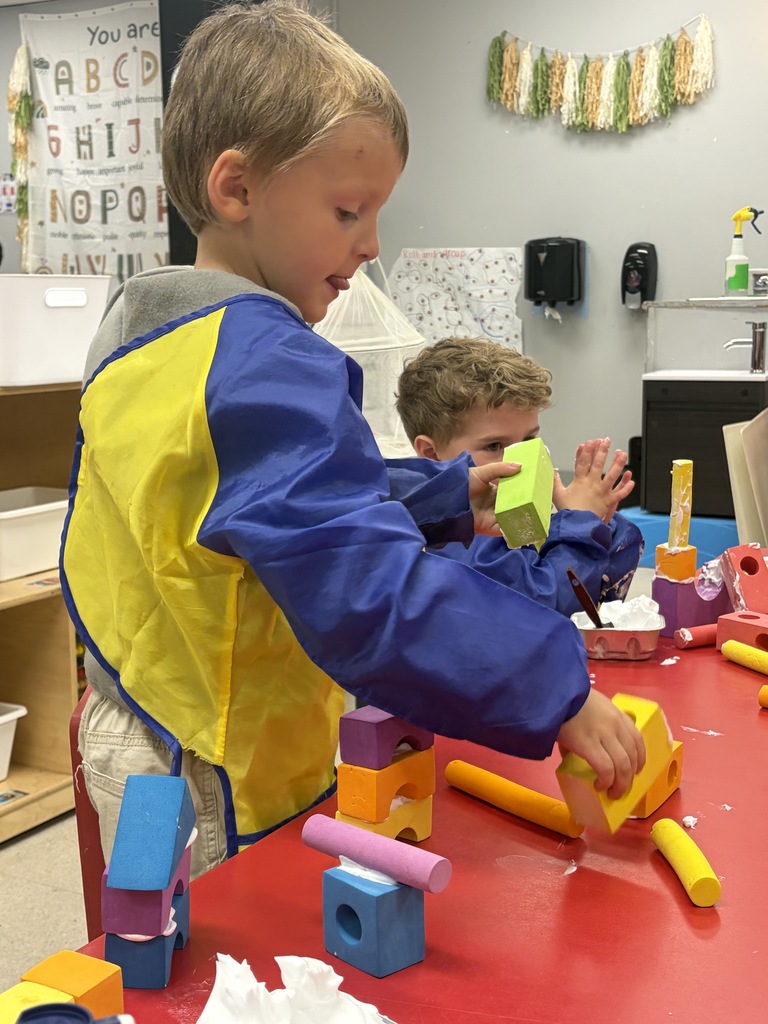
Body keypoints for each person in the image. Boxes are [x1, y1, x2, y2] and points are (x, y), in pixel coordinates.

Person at [60, 0, 644, 880]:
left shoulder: (151, 329)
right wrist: (555, 688)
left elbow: (256, 498)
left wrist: (446, 492)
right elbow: (366, 592)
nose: (370, 245)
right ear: (238, 189)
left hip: (147, 704)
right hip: (215, 748)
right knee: (242, 973)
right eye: (346, 211)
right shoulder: (263, 360)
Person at [395, 337, 644, 618]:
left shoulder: (509, 514)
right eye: (494, 446)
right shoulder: (453, 540)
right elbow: (545, 609)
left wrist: (597, 523)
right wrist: (579, 523)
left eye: (528, 440)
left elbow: (607, 593)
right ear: (431, 453)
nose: (519, 461)